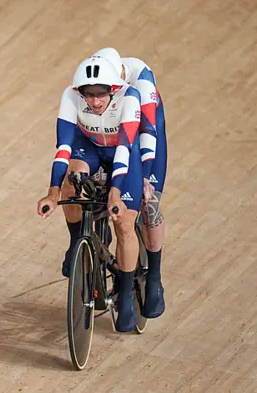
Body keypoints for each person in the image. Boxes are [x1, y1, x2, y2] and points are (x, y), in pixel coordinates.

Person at [36, 56, 143, 332]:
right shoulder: (70, 98)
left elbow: (124, 150)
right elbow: (64, 148)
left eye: (100, 95)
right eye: (88, 95)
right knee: (73, 178)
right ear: (79, 92)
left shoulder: (129, 98)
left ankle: (128, 293)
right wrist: (52, 192)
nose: (94, 102)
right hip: (91, 148)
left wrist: (116, 193)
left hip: (121, 153)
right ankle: (76, 243)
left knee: (124, 224)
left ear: (113, 90)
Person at [90, 47, 166, 319]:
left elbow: (147, 132)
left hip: (146, 133)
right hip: (112, 135)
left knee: (149, 202)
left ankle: (154, 277)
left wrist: (145, 176)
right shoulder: (97, 82)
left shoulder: (142, 82)